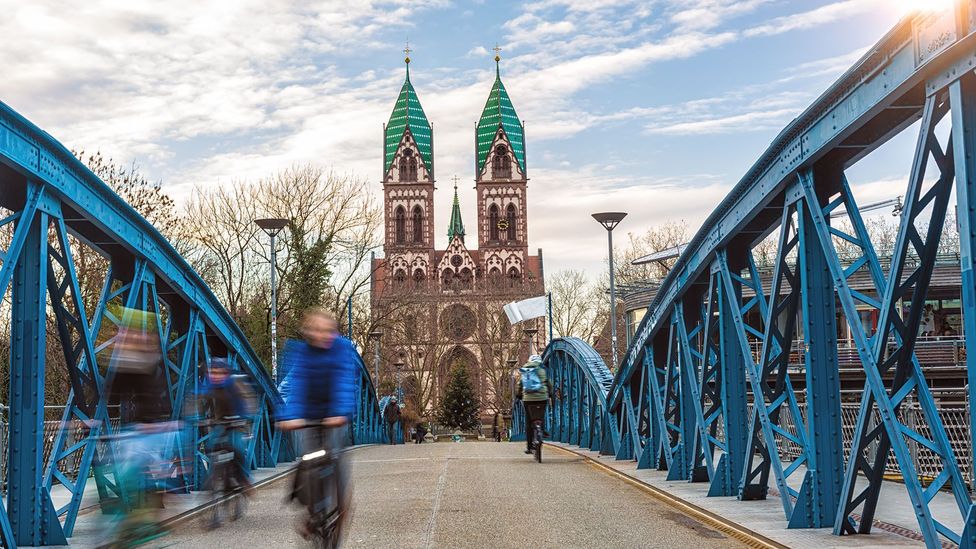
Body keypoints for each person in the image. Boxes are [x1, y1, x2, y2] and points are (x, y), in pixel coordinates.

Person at [278, 308, 358, 541]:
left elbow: (344, 381)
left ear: (333, 332)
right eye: (316, 331)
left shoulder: (342, 349)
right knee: (307, 460)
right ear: (308, 333)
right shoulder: (301, 353)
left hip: (334, 414)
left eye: (327, 331)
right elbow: (297, 385)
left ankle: (341, 502)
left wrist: (340, 412)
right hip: (310, 414)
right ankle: (311, 510)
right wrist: (290, 416)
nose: (322, 335)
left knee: (336, 456)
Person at [200, 358, 254, 494]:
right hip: (220, 423)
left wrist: (244, 418)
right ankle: (213, 477)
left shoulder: (235, 384)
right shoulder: (209, 387)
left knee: (238, 448)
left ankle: (245, 479)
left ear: (226, 374)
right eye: (212, 372)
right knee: (212, 447)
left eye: (219, 373)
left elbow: (246, 403)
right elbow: (198, 400)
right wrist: (195, 417)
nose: (215, 376)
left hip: (236, 422)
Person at [516, 354, 552, 455]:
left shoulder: (525, 370)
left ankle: (529, 447)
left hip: (528, 399)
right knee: (541, 414)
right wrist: (550, 393)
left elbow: (520, 385)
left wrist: (519, 395)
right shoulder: (542, 370)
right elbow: (549, 383)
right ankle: (543, 430)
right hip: (542, 397)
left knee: (529, 421)